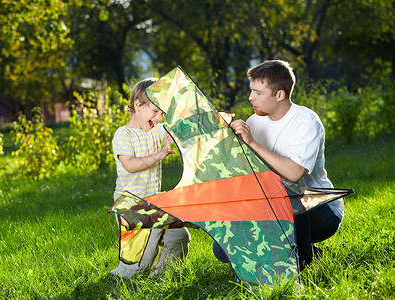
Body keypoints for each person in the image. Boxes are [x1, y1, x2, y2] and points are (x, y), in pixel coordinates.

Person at [213, 60, 343, 269]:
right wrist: (224, 139)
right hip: (272, 204)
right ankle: (287, 251)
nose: (250, 97)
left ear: (279, 95)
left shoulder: (306, 121)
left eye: (257, 93)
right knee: (221, 250)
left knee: (287, 197)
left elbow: (293, 174)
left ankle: (299, 261)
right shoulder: (254, 121)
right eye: (251, 91)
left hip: (320, 211)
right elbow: (244, 173)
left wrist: (253, 143)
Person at [110, 78, 191, 279]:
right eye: (155, 111)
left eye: (162, 113)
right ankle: (122, 274)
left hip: (152, 203)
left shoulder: (156, 130)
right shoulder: (123, 135)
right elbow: (129, 165)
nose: (159, 116)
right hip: (130, 204)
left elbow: (179, 127)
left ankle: (163, 274)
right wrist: (158, 156)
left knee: (179, 236)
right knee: (139, 266)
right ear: (137, 105)